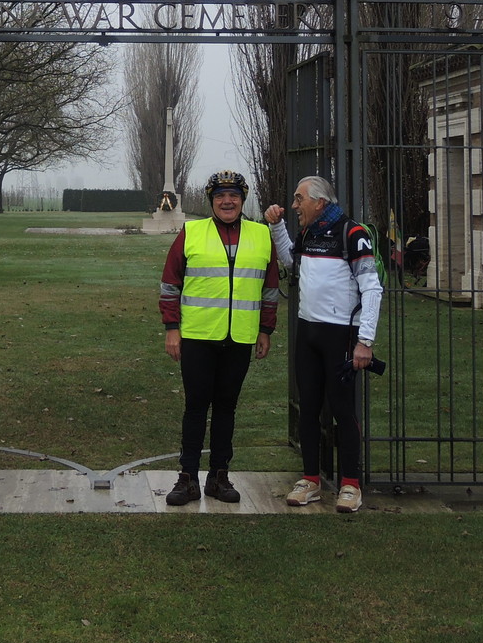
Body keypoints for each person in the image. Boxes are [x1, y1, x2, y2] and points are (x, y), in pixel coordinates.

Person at [158, 169, 278, 506]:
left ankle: (219, 475)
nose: (228, 201)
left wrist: (265, 330)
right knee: (196, 407)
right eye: (221, 196)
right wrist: (172, 328)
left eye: (234, 196)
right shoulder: (191, 232)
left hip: (239, 338)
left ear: (243, 200)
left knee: (227, 408)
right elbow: (170, 284)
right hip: (197, 336)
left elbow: (270, 289)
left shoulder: (261, 235)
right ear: (212, 201)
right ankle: (187, 477)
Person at [264, 175, 383, 513]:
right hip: (308, 332)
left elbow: (372, 289)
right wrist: (276, 227)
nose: (295, 205)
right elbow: (292, 263)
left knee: (343, 411)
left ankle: (350, 484)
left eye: (299, 199)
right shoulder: (309, 233)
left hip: (341, 337)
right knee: (309, 409)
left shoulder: (353, 234)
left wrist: (365, 341)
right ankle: (311, 480)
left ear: (319, 202)